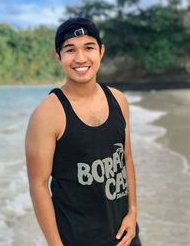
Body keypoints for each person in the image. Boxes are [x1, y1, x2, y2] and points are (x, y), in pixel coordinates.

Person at [25, 17, 141, 246]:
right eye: (70, 50)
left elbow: (125, 158)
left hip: (125, 234)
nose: (80, 58)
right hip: (77, 239)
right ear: (58, 57)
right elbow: (38, 186)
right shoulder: (47, 114)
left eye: (89, 47)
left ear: (101, 52)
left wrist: (133, 212)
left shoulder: (118, 100)